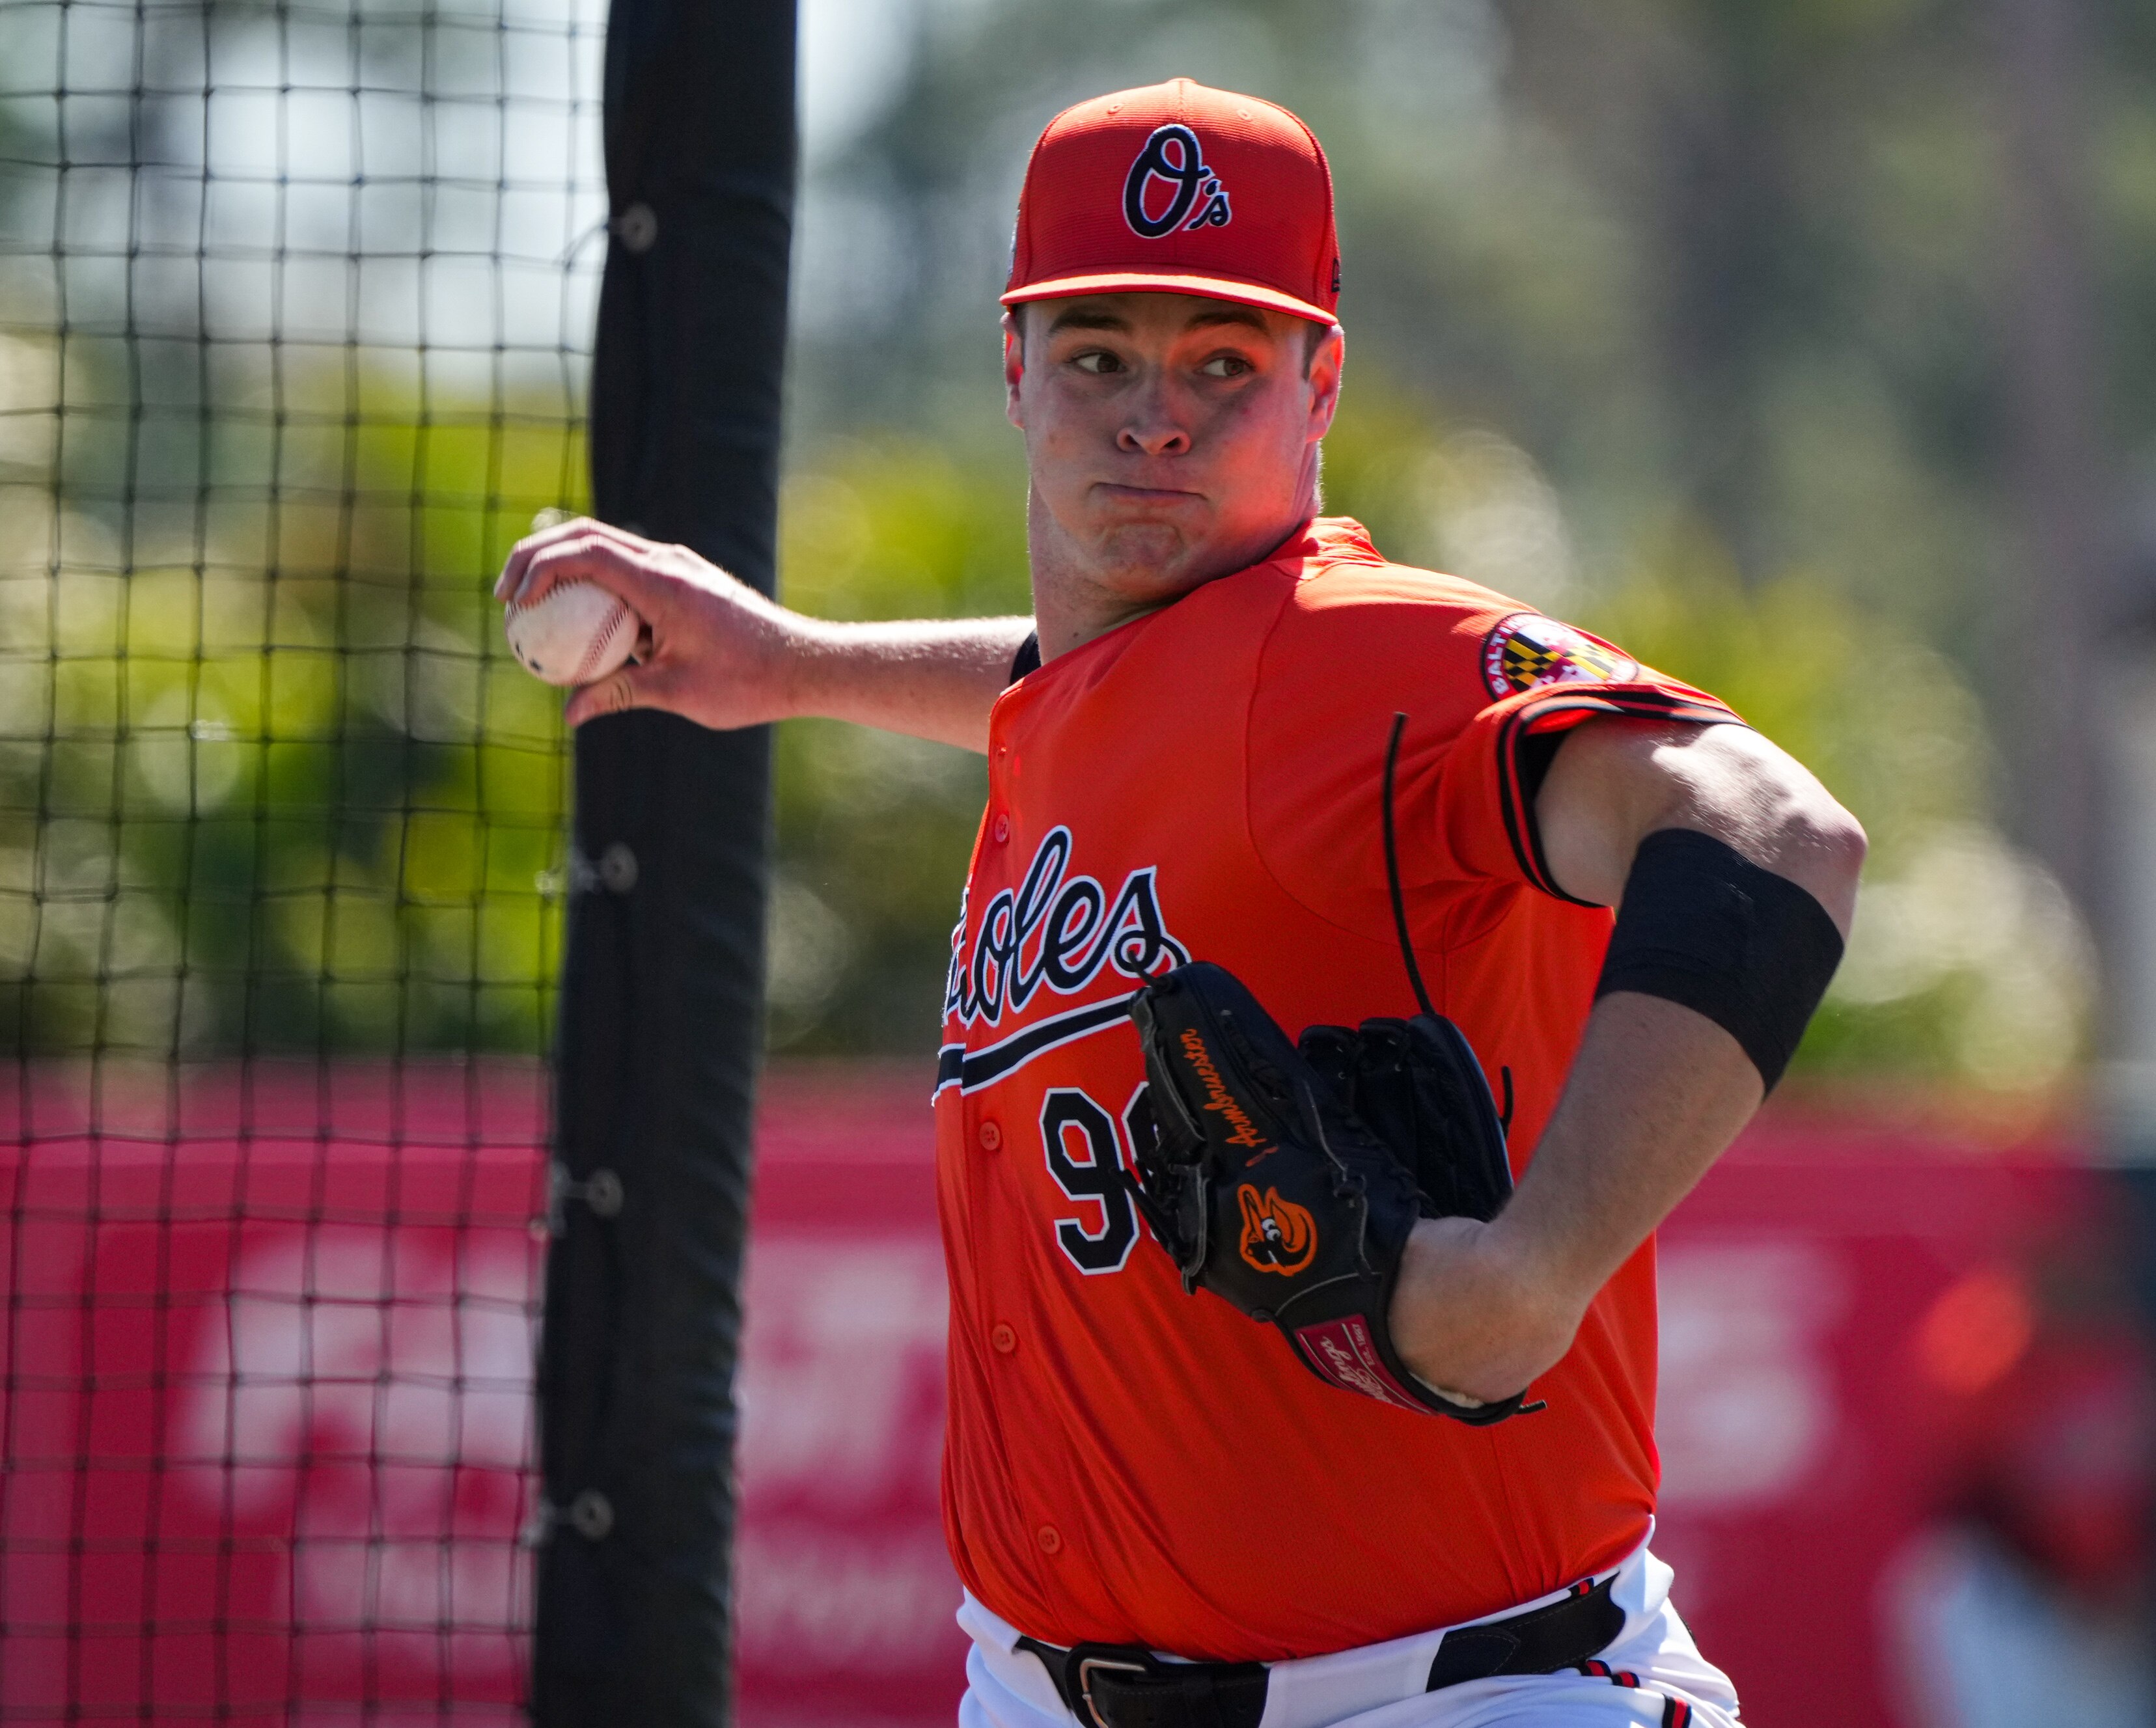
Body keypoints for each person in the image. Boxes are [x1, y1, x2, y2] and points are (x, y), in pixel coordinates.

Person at [498, 77, 1863, 1728]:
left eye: (1224, 361)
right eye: (1100, 354)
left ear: (1321, 384)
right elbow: (1069, 687)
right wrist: (790, 661)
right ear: (1015, 370)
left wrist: (1533, 1265)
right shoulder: (1091, 706)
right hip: (1034, 1690)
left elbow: (1776, 829)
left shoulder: (1367, 652)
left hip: (1455, 1698)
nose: (1156, 414)